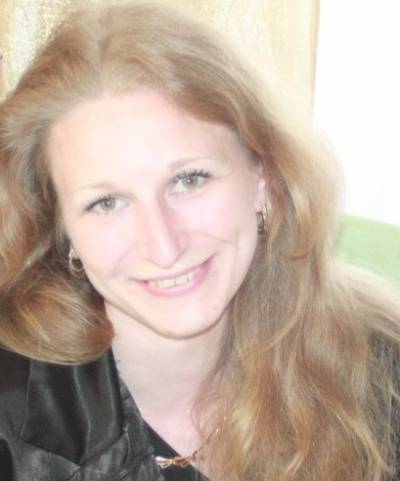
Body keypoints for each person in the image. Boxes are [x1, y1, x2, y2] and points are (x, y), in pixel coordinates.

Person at [0, 2, 399, 481]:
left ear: (264, 176)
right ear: (62, 229)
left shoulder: (379, 366)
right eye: (106, 203)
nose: (164, 246)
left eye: (189, 180)